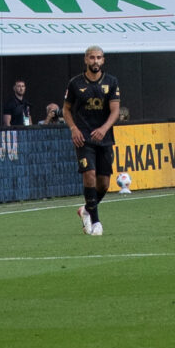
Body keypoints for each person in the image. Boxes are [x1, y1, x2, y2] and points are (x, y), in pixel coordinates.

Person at [64, 44, 121, 237]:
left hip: (104, 138)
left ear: (103, 60)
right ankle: (95, 222)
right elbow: (66, 110)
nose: (95, 61)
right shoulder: (75, 83)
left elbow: (115, 111)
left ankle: (86, 209)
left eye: (98, 58)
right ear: (86, 60)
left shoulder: (111, 82)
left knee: (104, 184)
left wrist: (104, 129)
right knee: (89, 175)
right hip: (84, 138)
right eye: (91, 58)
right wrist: (73, 128)